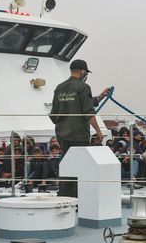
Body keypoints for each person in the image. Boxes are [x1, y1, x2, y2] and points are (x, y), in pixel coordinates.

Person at [49, 59, 103, 197]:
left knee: (68, 166)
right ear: (83, 72)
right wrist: (98, 130)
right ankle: (78, 199)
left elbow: (53, 115)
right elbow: (88, 112)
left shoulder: (59, 88)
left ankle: (64, 197)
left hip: (62, 134)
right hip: (78, 135)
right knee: (80, 168)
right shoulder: (83, 87)